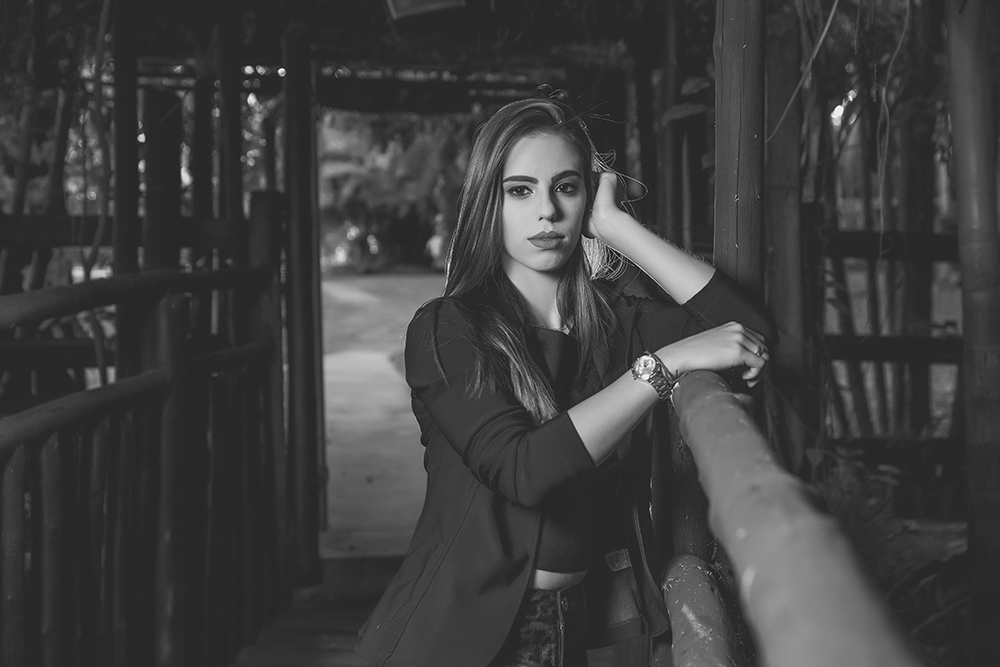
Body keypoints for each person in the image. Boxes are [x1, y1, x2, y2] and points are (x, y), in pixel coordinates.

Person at [354, 89, 776, 667]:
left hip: (568, 625)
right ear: (487, 203)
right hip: (455, 642)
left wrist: (617, 227)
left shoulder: (613, 325)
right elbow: (524, 471)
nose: (547, 212)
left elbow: (749, 333)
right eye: (520, 190)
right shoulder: (446, 330)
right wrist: (660, 369)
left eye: (567, 188)